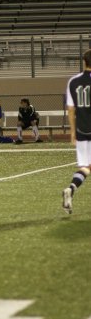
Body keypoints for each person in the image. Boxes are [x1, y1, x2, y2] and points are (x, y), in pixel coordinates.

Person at [62, 48, 91, 214]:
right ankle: (71, 189)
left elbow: (71, 109)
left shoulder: (73, 81)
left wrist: (73, 132)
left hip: (81, 129)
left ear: (84, 62)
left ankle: (71, 189)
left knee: (85, 167)